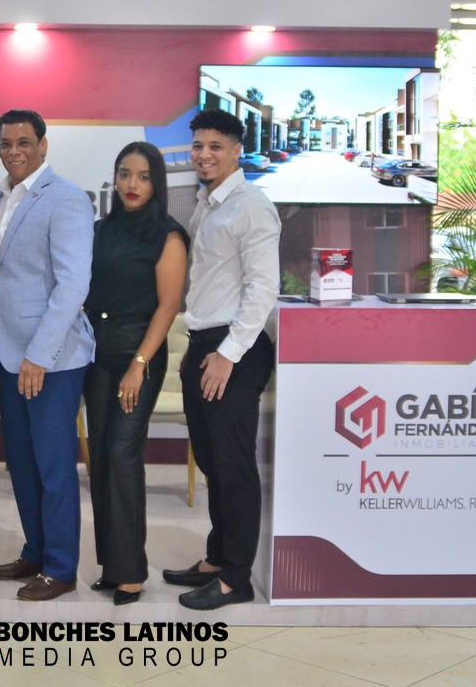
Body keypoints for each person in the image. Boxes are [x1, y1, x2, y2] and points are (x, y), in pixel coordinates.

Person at [163, 108, 280, 611]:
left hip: (235, 351)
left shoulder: (251, 206)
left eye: (215, 146)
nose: (204, 155)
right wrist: (199, 351)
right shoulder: (207, 203)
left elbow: (263, 288)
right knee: (212, 461)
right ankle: (218, 557)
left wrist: (227, 354)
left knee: (234, 467)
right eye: (198, 146)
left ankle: (236, 579)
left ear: (236, 151)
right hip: (204, 345)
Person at [0, 108, 95, 602]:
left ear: (44, 145)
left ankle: (61, 567)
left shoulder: (67, 198)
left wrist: (39, 355)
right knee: (23, 463)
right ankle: (35, 551)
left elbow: (72, 285)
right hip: (8, 353)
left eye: (24, 142)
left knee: (53, 466)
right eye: (6, 143)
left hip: (51, 359)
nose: (15, 151)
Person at [83, 142, 188, 607]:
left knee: (123, 456)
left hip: (138, 354)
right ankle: (112, 567)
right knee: (101, 458)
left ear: (156, 182)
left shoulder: (168, 235)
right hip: (97, 352)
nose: (132, 184)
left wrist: (139, 365)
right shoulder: (99, 230)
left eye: (143, 176)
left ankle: (131, 574)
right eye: (125, 174)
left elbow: (168, 305)